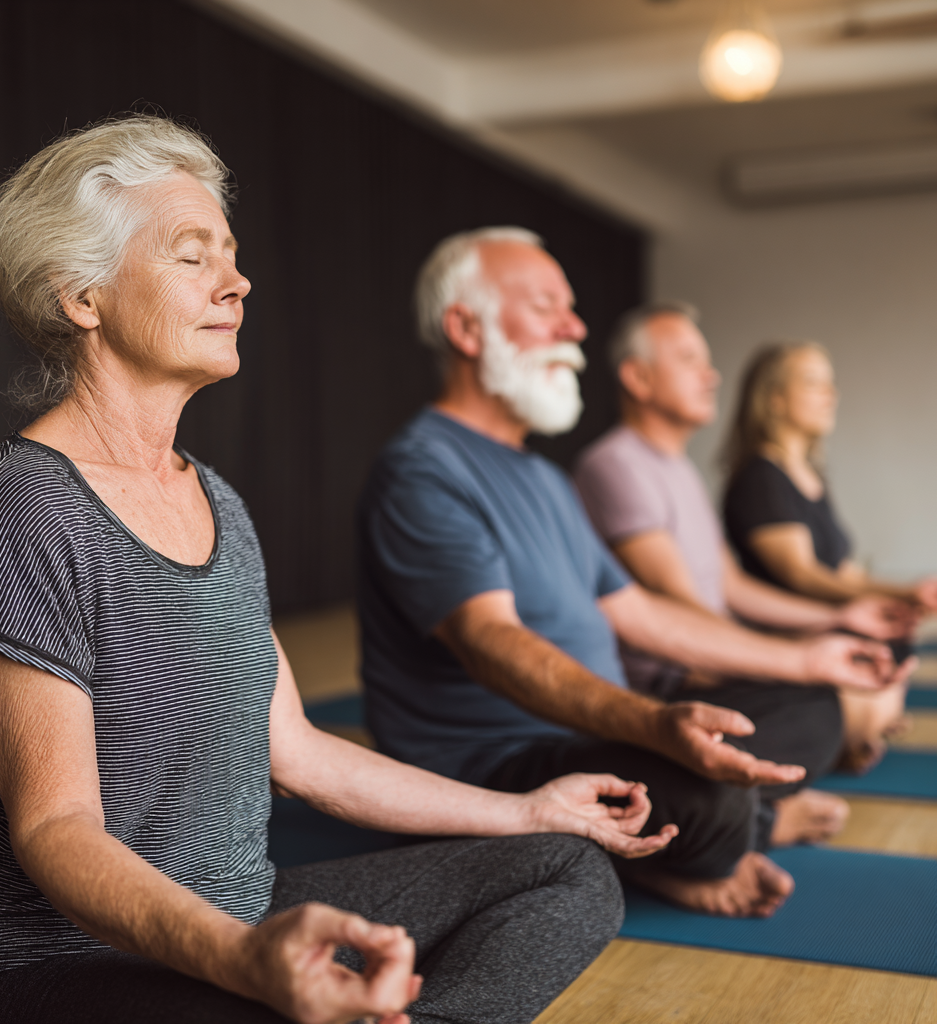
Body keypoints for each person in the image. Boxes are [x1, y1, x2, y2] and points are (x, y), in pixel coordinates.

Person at [0, 117, 675, 1024]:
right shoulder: (27, 505)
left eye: (232, 256)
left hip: (239, 919)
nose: (237, 282)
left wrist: (528, 811)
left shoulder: (221, 505)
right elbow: (54, 831)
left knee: (564, 866)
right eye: (192, 256)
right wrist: (246, 960)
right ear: (81, 296)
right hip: (53, 962)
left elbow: (301, 753)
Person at [357, 227, 915, 921]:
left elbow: (642, 615)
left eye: (572, 307)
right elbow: (490, 643)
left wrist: (806, 656)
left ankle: (657, 844)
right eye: (547, 306)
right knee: (713, 797)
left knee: (815, 705)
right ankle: (696, 844)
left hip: (595, 735)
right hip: (497, 762)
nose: (576, 326)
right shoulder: (423, 470)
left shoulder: (546, 478)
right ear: (465, 329)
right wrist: (654, 725)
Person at [574, 306, 919, 775]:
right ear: (638, 377)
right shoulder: (614, 465)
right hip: (675, 679)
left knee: (851, 688)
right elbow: (678, 602)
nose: (712, 375)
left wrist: (836, 615)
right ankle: (769, 806)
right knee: (829, 707)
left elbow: (730, 584)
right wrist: (785, 661)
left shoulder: (681, 469)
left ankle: (792, 781)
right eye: (689, 359)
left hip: (718, 650)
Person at [722, 340, 937, 609]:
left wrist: (909, 592)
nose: (831, 394)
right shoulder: (761, 479)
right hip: (798, 640)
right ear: (775, 399)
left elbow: (844, 573)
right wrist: (897, 599)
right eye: (813, 383)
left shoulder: (810, 475)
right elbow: (800, 574)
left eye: (830, 383)